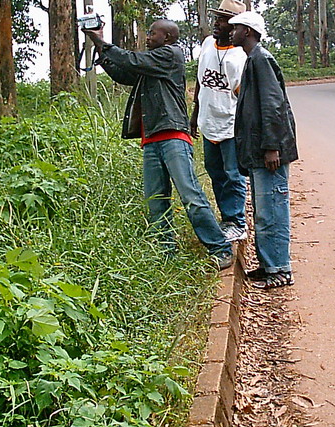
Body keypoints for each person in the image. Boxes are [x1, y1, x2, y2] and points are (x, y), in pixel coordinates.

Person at [82, 18, 233, 270]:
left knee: (190, 196)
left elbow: (132, 60)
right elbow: (124, 73)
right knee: (156, 200)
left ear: (167, 38)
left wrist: (101, 40)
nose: (148, 37)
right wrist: (101, 50)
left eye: (153, 33)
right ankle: (165, 253)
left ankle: (220, 247)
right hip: (151, 138)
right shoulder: (152, 63)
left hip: (173, 136)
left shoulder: (170, 55)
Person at [228, 10, 298, 289]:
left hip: (270, 152)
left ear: (247, 31)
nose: (231, 33)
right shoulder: (253, 60)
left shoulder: (261, 59)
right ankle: (269, 265)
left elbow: (273, 104)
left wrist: (271, 147)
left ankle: (280, 270)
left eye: (235, 28)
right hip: (259, 152)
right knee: (263, 211)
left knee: (272, 211)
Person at [190, 0, 249, 243]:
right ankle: (227, 218)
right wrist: (194, 116)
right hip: (208, 122)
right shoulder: (206, 44)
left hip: (231, 125)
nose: (216, 24)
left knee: (233, 175)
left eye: (222, 21)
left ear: (234, 26)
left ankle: (237, 222)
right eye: (216, 19)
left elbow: (243, 95)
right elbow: (200, 83)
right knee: (215, 172)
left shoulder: (240, 56)